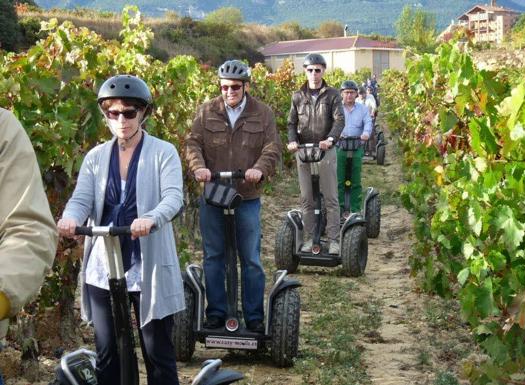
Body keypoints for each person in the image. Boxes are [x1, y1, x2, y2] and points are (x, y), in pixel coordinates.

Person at [57, 75, 184, 385]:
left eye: (129, 112)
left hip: (147, 265)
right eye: (113, 112)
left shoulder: (163, 152)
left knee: (156, 350)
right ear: (105, 114)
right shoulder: (96, 158)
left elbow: (173, 197)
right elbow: (80, 200)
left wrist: (152, 218)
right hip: (104, 265)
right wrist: (70, 219)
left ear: (143, 113)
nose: (121, 120)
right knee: (107, 350)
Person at [185, 60, 281, 333]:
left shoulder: (263, 113)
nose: (230, 92)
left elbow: (272, 147)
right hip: (214, 194)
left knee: (250, 257)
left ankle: (253, 317)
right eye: (225, 87)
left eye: (235, 87)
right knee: (214, 255)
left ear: (246, 86)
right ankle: (216, 313)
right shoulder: (206, 112)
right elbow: (193, 143)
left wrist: (259, 170)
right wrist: (199, 167)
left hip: (246, 195)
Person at [0, 108, 57, 385]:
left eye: (129, 112)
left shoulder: (2, 127)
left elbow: (29, 229)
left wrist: (1, 293)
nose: (121, 119)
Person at [286, 53, 345, 254]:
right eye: (310, 70)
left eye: (317, 70)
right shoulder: (297, 96)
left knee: (330, 197)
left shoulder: (333, 95)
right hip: (303, 152)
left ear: (323, 71)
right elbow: (291, 123)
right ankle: (310, 239)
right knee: (307, 198)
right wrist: (292, 140)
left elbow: (339, 121)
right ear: (305, 71)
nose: (313, 74)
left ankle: (334, 240)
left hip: (325, 150)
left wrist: (330, 140)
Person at [337, 80, 373, 217]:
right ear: (342, 94)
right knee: (339, 179)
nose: (349, 95)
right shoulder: (337, 109)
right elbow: (331, 123)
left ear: (357, 94)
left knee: (356, 179)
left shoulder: (362, 109)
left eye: (352, 93)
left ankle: (355, 209)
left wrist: (366, 133)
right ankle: (340, 209)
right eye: (346, 93)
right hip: (340, 146)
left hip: (356, 146)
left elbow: (368, 123)